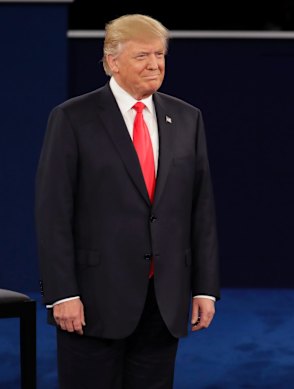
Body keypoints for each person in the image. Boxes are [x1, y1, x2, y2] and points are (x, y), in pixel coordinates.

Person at [35, 14, 220, 389]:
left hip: (164, 299)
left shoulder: (187, 118)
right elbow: (53, 211)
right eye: (142, 56)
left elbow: (200, 210)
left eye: (160, 55)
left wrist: (204, 288)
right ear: (111, 60)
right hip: (91, 300)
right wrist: (62, 293)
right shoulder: (72, 118)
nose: (154, 64)